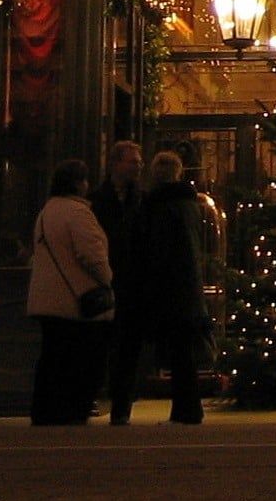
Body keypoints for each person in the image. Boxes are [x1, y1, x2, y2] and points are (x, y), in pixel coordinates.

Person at [113, 150, 207, 426]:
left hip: (166, 288)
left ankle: (183, 410)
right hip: (187, 285)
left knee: (165, 349)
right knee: (183, 350)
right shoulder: (190, 204)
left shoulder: (158, 206)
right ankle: (188, 408)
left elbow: (157, 250)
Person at [27, 158, 115, 425]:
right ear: (78, 183)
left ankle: (45, 411)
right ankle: (72, 410)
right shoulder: (78, 213)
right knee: (81, 359)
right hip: (75, 300)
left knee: (52, 357)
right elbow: (91, 255)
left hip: (46, 299)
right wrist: (107, 279)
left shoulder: (46, 212)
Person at [92, 140, 146, 416]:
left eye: (139, 162)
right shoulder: (96, 201)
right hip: (104, 280)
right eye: (133, 161)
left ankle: (122, 404)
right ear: (115, 164)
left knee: (129, 345)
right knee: (103, 343)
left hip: (134, 283)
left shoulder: (142, 200)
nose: (139, 166)